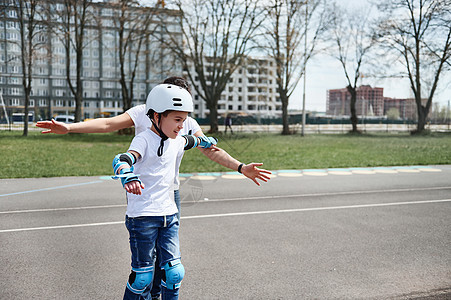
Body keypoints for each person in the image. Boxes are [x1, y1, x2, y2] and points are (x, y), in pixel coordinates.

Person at [36, 76, 272, 299]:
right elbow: (108, 123)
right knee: (145, 267)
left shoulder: (185, 121)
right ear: (159, 105)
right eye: (176, 114)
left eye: (183, 113)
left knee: (170, 264)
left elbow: (208, 147)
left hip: (170, 193)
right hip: (141, 190)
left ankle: (156, 293)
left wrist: (241, 167)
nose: (181, 121)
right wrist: (69, 128)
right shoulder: (144, 113)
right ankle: (144, 290)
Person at [113, 83, 217, 299]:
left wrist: (205, 141)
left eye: (184, 120)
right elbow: (124, 159)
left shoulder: (177, 140)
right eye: (178, 120)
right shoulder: (143, 139)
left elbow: (193, 140)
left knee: (174, 273)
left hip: (169, 215)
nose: (182, 125)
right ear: (157, 116)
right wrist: (127, 174)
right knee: (143, 277)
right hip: (142, 217)